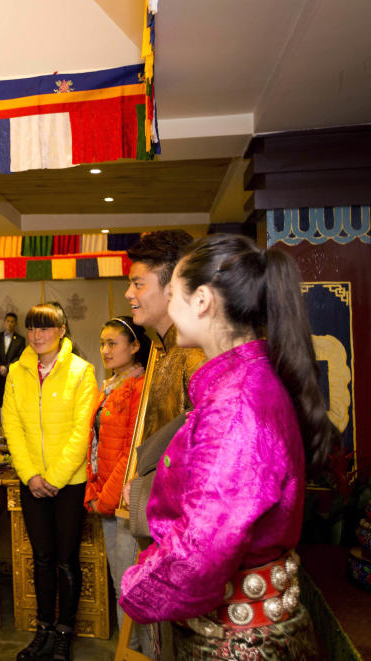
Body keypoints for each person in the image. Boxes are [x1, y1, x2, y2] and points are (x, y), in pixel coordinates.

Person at [120, 234, 336, 659]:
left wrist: (136, 586)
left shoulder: (235, 404)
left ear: (201, 300)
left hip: (236, 644)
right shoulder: (239, 382)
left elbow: (201, 549)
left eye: (172, 290)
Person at [120, 229, 206, 657]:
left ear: (173, 286)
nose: (128, 293)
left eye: (138, 283)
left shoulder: (195, 358)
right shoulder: (167, 351)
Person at [3, 302, 98, 661]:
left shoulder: (81, 371)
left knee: (65, 560)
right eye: (31, 328)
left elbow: (82, 431)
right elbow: (11, 426)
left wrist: (54, 478)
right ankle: (43, 628)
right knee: (41, 558)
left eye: (45, 328)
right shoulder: (17, 371)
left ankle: (64, 633)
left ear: (61, 331)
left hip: (68, 484)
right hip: (32, 481)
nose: (36, 335)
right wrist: (31, 475)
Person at [83, 316, 150, 642]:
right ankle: (130, 649)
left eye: (113, 343)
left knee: (130, 582)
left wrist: (105, 496)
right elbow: (97, 446)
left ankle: (137, 650)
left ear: (135, 346)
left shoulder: (139, 387)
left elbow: (132, 451)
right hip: (107, 495)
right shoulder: (111, 385)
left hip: (124, 499)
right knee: (119, 581)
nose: (105, 350)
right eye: (102, 343)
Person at [0, 311, 25, 424]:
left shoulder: (20, 340)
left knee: (11, 402)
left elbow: (19, 357)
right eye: (8, 321)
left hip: (12, 375)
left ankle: (10, 425)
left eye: (12, 322)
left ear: (15, 323)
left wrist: (7, 368)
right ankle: (0, 425)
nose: (10, 324)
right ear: (4, 322)